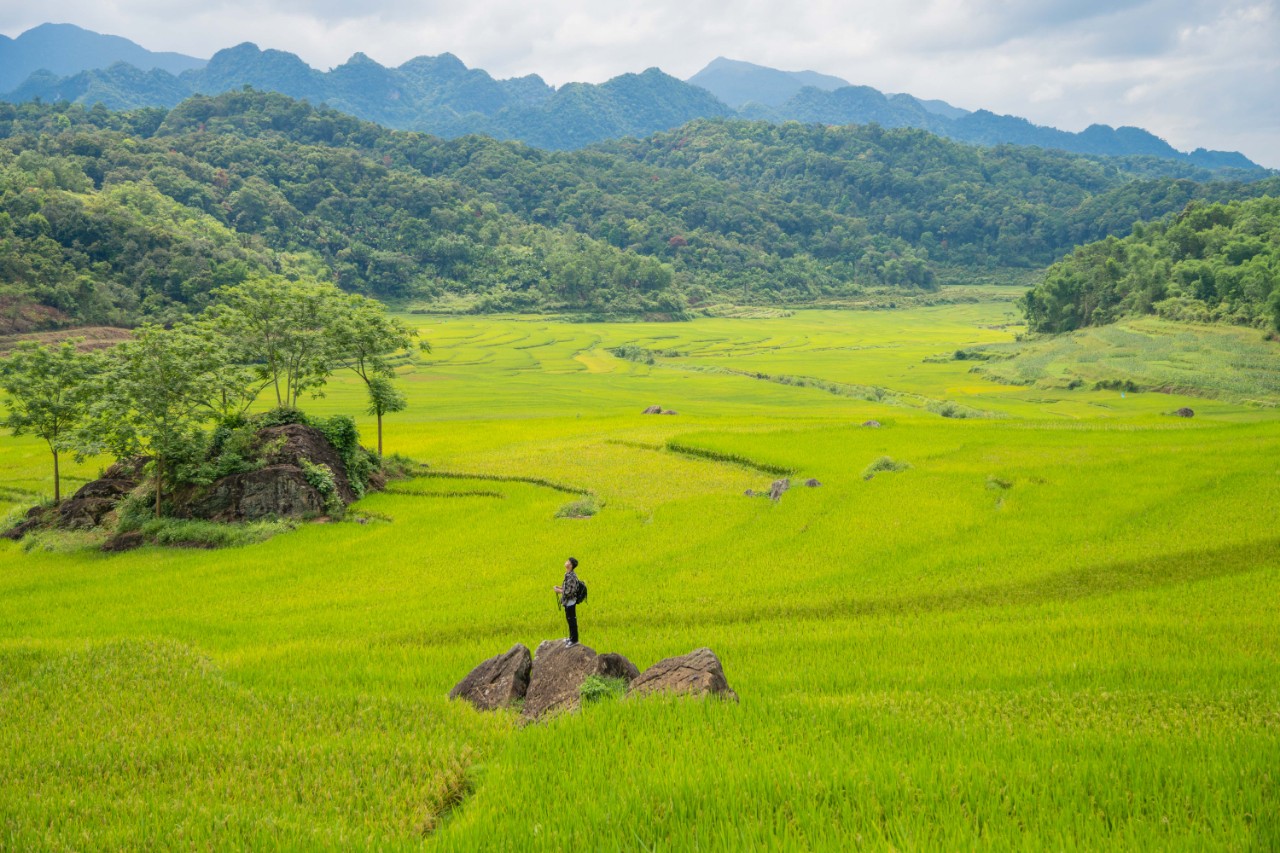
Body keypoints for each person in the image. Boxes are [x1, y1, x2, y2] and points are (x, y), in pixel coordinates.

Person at [553, 557, 582, 647]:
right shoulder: (568, 574)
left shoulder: (572, 576)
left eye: (568, 561)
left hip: (570, 602)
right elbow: (567, 588)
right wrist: (560, 588)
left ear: (571, 565)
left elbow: (570, 591)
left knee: (572, 620)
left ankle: (574, 640)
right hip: (567, 601)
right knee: (569, 620)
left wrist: (559, 591)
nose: (566, 562)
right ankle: (571, 637)